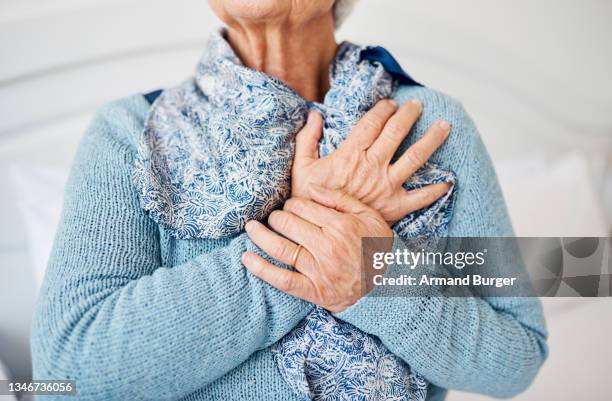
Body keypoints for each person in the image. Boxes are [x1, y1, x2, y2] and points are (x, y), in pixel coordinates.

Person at [31, 1, 548, 400]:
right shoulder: (128, 132)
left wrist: (376, 275)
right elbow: (66, 374)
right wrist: (320, 226)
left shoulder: (431, 124)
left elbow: (522, 353)